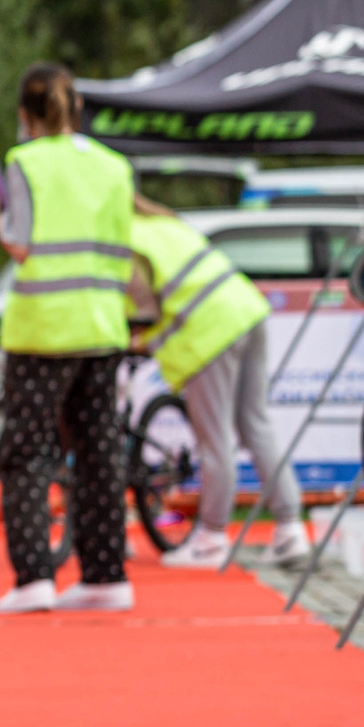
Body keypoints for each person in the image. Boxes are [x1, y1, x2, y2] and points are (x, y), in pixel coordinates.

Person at [0, 62, 136, 614]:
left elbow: (21, 244)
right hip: (102, 323)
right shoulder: (114, 166)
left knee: (28, 451)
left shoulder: (24, 162)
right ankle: (105, 574)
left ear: (25, 115)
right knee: (99, 450)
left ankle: (33, 577)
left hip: (44, 327)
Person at [127, 195, 311, 567]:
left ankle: (211, 538)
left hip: (209, 332)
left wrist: (132, 338)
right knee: (255, 424)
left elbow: (143, 312)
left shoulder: (123, 242)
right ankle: (291, 530)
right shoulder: (160, 220)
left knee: (215, 440)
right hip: (245, 310)